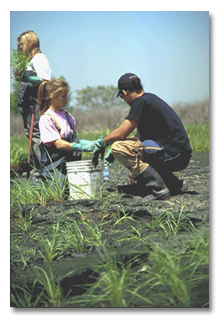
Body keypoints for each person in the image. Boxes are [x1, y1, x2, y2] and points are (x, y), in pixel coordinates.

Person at [92, 73, 192, 200]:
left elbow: (121, 133)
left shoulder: (140, 102)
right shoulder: (151, 99)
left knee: (119, 147)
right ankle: (172, 184)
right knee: (133, 146)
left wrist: (102, 143)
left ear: (124, 93)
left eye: (122, 96)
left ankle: (158, 189)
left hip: (173, 153)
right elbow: (140, 139)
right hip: (179, 154)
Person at [38, 78, 95, 193]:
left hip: (72, 166)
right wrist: (81, 147)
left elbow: (74, 140)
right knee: (60, 194)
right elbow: (59, 144)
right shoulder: (46, 119)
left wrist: (88, 143)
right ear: (53, 97)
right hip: (55, 168)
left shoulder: (68, 117)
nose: (67, 99)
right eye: (63, 96)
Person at [16, 30, 52, 169]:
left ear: (30, 43)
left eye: (22, 44)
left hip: (34, 104)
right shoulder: (29, 61)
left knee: (37, 135)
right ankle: (38, 168)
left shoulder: (39, 58)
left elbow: (45, 79)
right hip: (26, 106)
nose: (20, 47)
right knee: (30, 135)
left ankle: (43, 170)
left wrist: (28, 78)